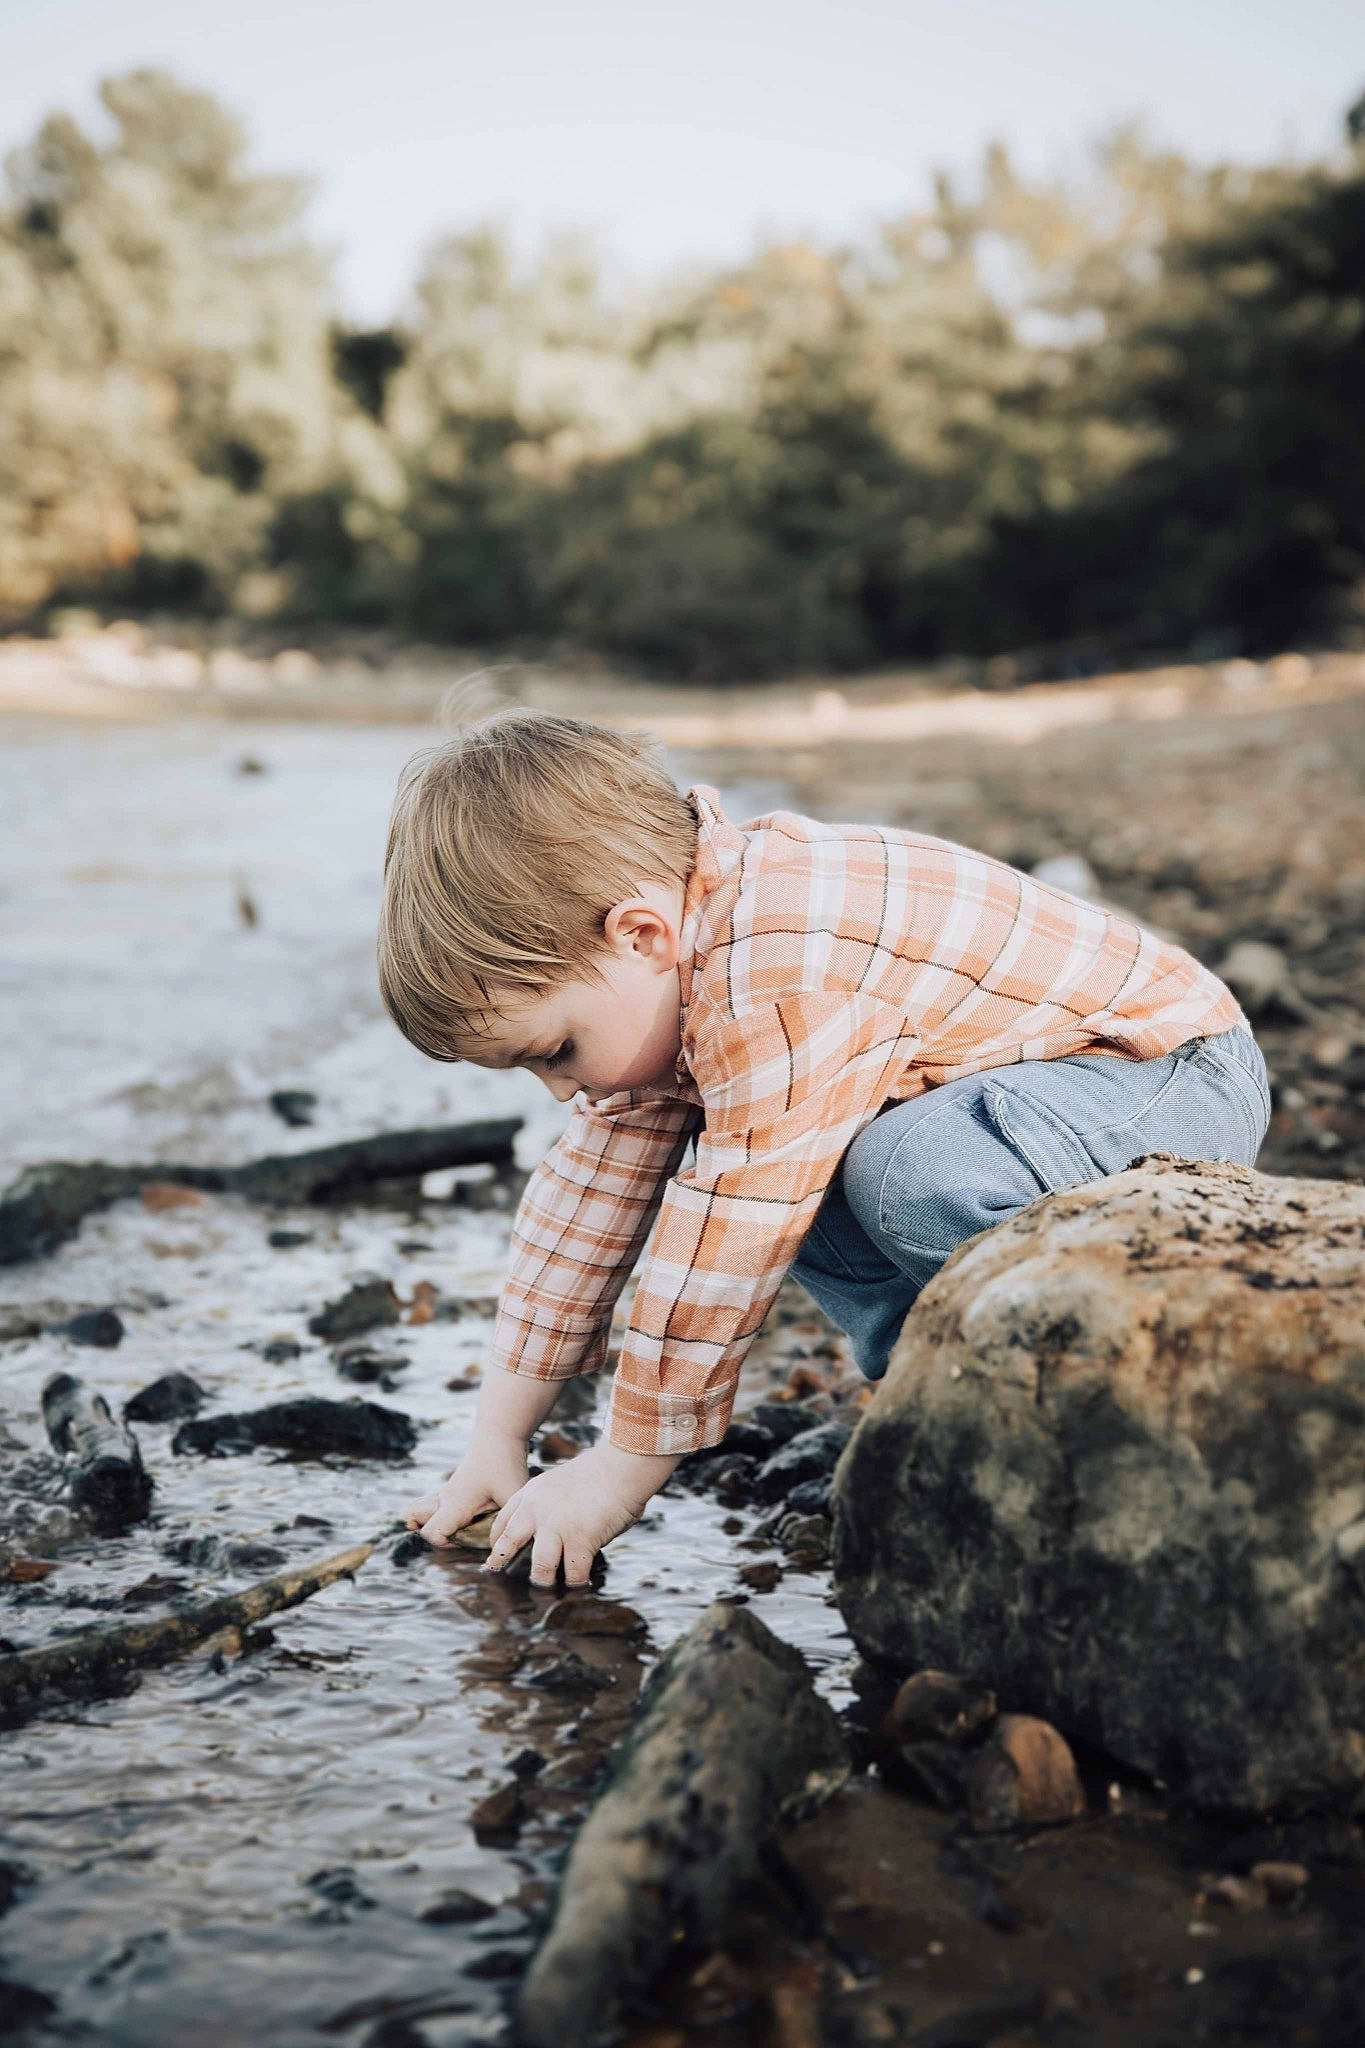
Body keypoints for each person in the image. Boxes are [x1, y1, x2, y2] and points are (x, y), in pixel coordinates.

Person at [379, 713, 1270, 1587]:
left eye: (553, 1052)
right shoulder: (669, 975)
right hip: (1038, 1105)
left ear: (639, 935)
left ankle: (1086, 1385)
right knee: (804, 1178)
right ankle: (947, 1391)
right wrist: (495, 1444)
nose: (563, 1092)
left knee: (878, 1176)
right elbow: (580, 1214)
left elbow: (730, 1230)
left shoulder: (778, 967)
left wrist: (619, 1471)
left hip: (1165, 1077)